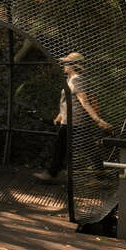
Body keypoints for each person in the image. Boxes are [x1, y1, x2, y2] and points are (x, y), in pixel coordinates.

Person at [35, 51, 112, 182]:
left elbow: (84, 102)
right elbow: (67, 102)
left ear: (73, 65)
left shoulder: (77, 80)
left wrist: (97, 120)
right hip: (69, 121)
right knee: (64, 147)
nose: (64, 64)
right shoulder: (69, 79)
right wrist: (58, 118)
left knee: (87, 149)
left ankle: (102, 177)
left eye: (66, 63)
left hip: (77, 122)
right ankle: (53, 173)